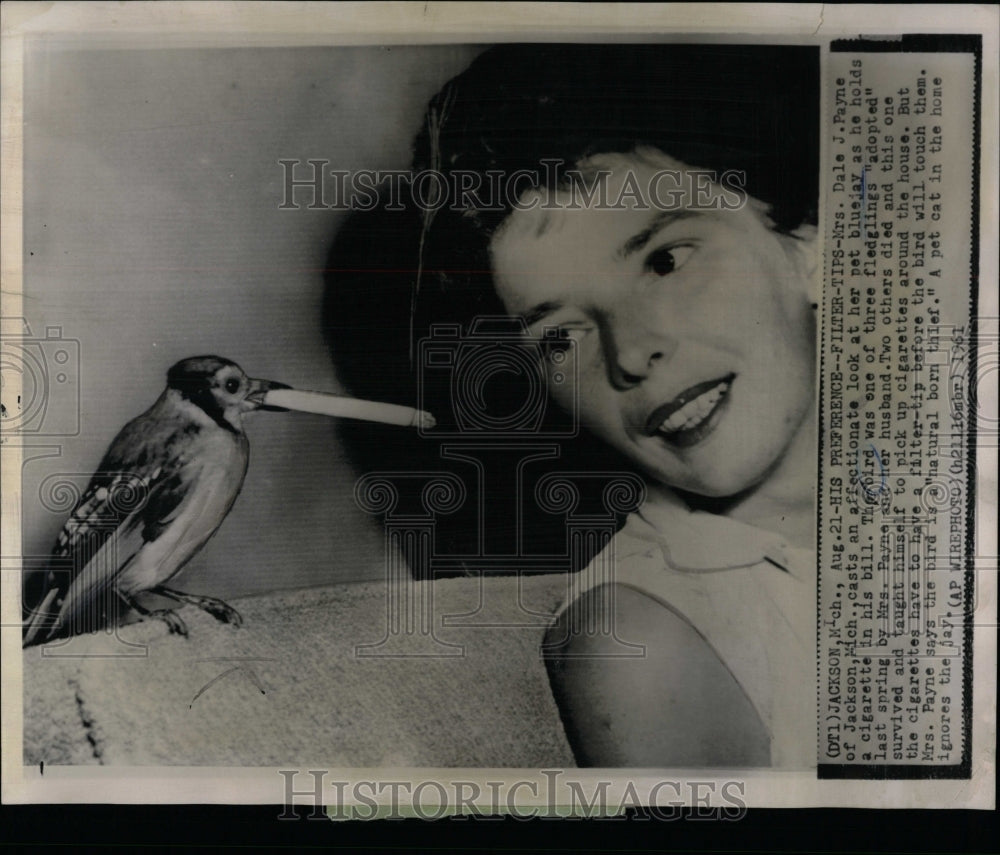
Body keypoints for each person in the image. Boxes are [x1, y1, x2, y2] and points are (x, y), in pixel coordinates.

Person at [325, 44, 819, 767]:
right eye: (561, 334)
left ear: (808, 242)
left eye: (666, 261)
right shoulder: (640, 642)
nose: (629, 352)